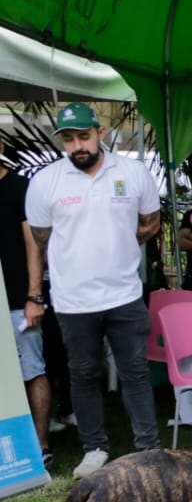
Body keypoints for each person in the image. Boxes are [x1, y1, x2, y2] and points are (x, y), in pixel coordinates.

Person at [25, 102, 161, 479]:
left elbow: (151, 221)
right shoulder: (45, 181)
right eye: (68, 139)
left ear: (100, 134)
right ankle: (94, 448)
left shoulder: (133, 173)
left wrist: (120, 241)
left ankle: (148, 448)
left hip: (125, 295)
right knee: (82, 373)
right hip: (72, 299)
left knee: (134, 372)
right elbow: (40, 237)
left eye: (83, 136)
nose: (77, 146)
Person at [1, 144, 52, 463]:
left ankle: (41, 446)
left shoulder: (20, 187)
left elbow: (34, 245)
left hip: (20, 299)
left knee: (32, 370)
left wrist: (34, 296)